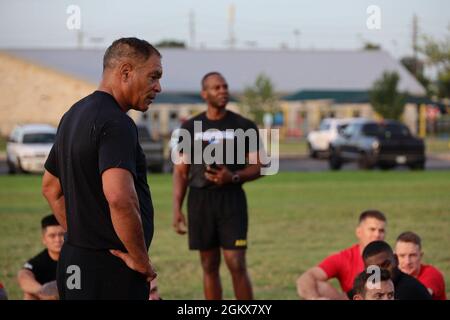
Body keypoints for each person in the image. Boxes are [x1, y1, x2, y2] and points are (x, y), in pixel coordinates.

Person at [42, 37, 162, 300]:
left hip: (74, 259)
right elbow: (120, 197)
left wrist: (81, 236)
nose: (159, 87)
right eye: (153, 77)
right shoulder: (117, 122)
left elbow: (51, 189)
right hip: (109, 270)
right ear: (126, 72)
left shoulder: (73, 114)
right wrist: (140, 259)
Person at [172, 72, 263, 300]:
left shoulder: (243, 125)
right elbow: (181, 172)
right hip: (200, 201)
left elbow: (259, 166)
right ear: (204, 93)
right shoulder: (190, 127)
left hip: (231, 200)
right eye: (216, 87)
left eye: (225, 86)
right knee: (209, 264)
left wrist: (231, 177)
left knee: (236, 262)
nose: (222, 91)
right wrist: (176, 208)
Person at [297, 210, 387, 300]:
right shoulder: (345, 258)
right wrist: (313, 298)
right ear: (359, 232)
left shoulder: (393, 259)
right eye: (372, 229)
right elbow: (305, 278)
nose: (377, 235)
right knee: (318, 287)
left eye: (381, 231)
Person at [362, 240, 432, 300]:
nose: (381, 272)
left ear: (396, 260)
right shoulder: (362, 287)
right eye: (374, 269)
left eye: (386, 265)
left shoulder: (411, 290)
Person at [17, 214, 64, 300]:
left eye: (62, 235)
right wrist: (44, 292)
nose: (58, 240)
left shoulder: (77, 258)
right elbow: (23, 276)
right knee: (29, 295)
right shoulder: (39, 261)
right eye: (52, 236)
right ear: (44, 239)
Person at [395, 231, 446, 300]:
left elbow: (421, 296)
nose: (407, 261)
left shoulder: (431, 274)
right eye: (402, 256)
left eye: (413, 255)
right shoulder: (391, 276)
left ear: (421, 255)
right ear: (394, 257)